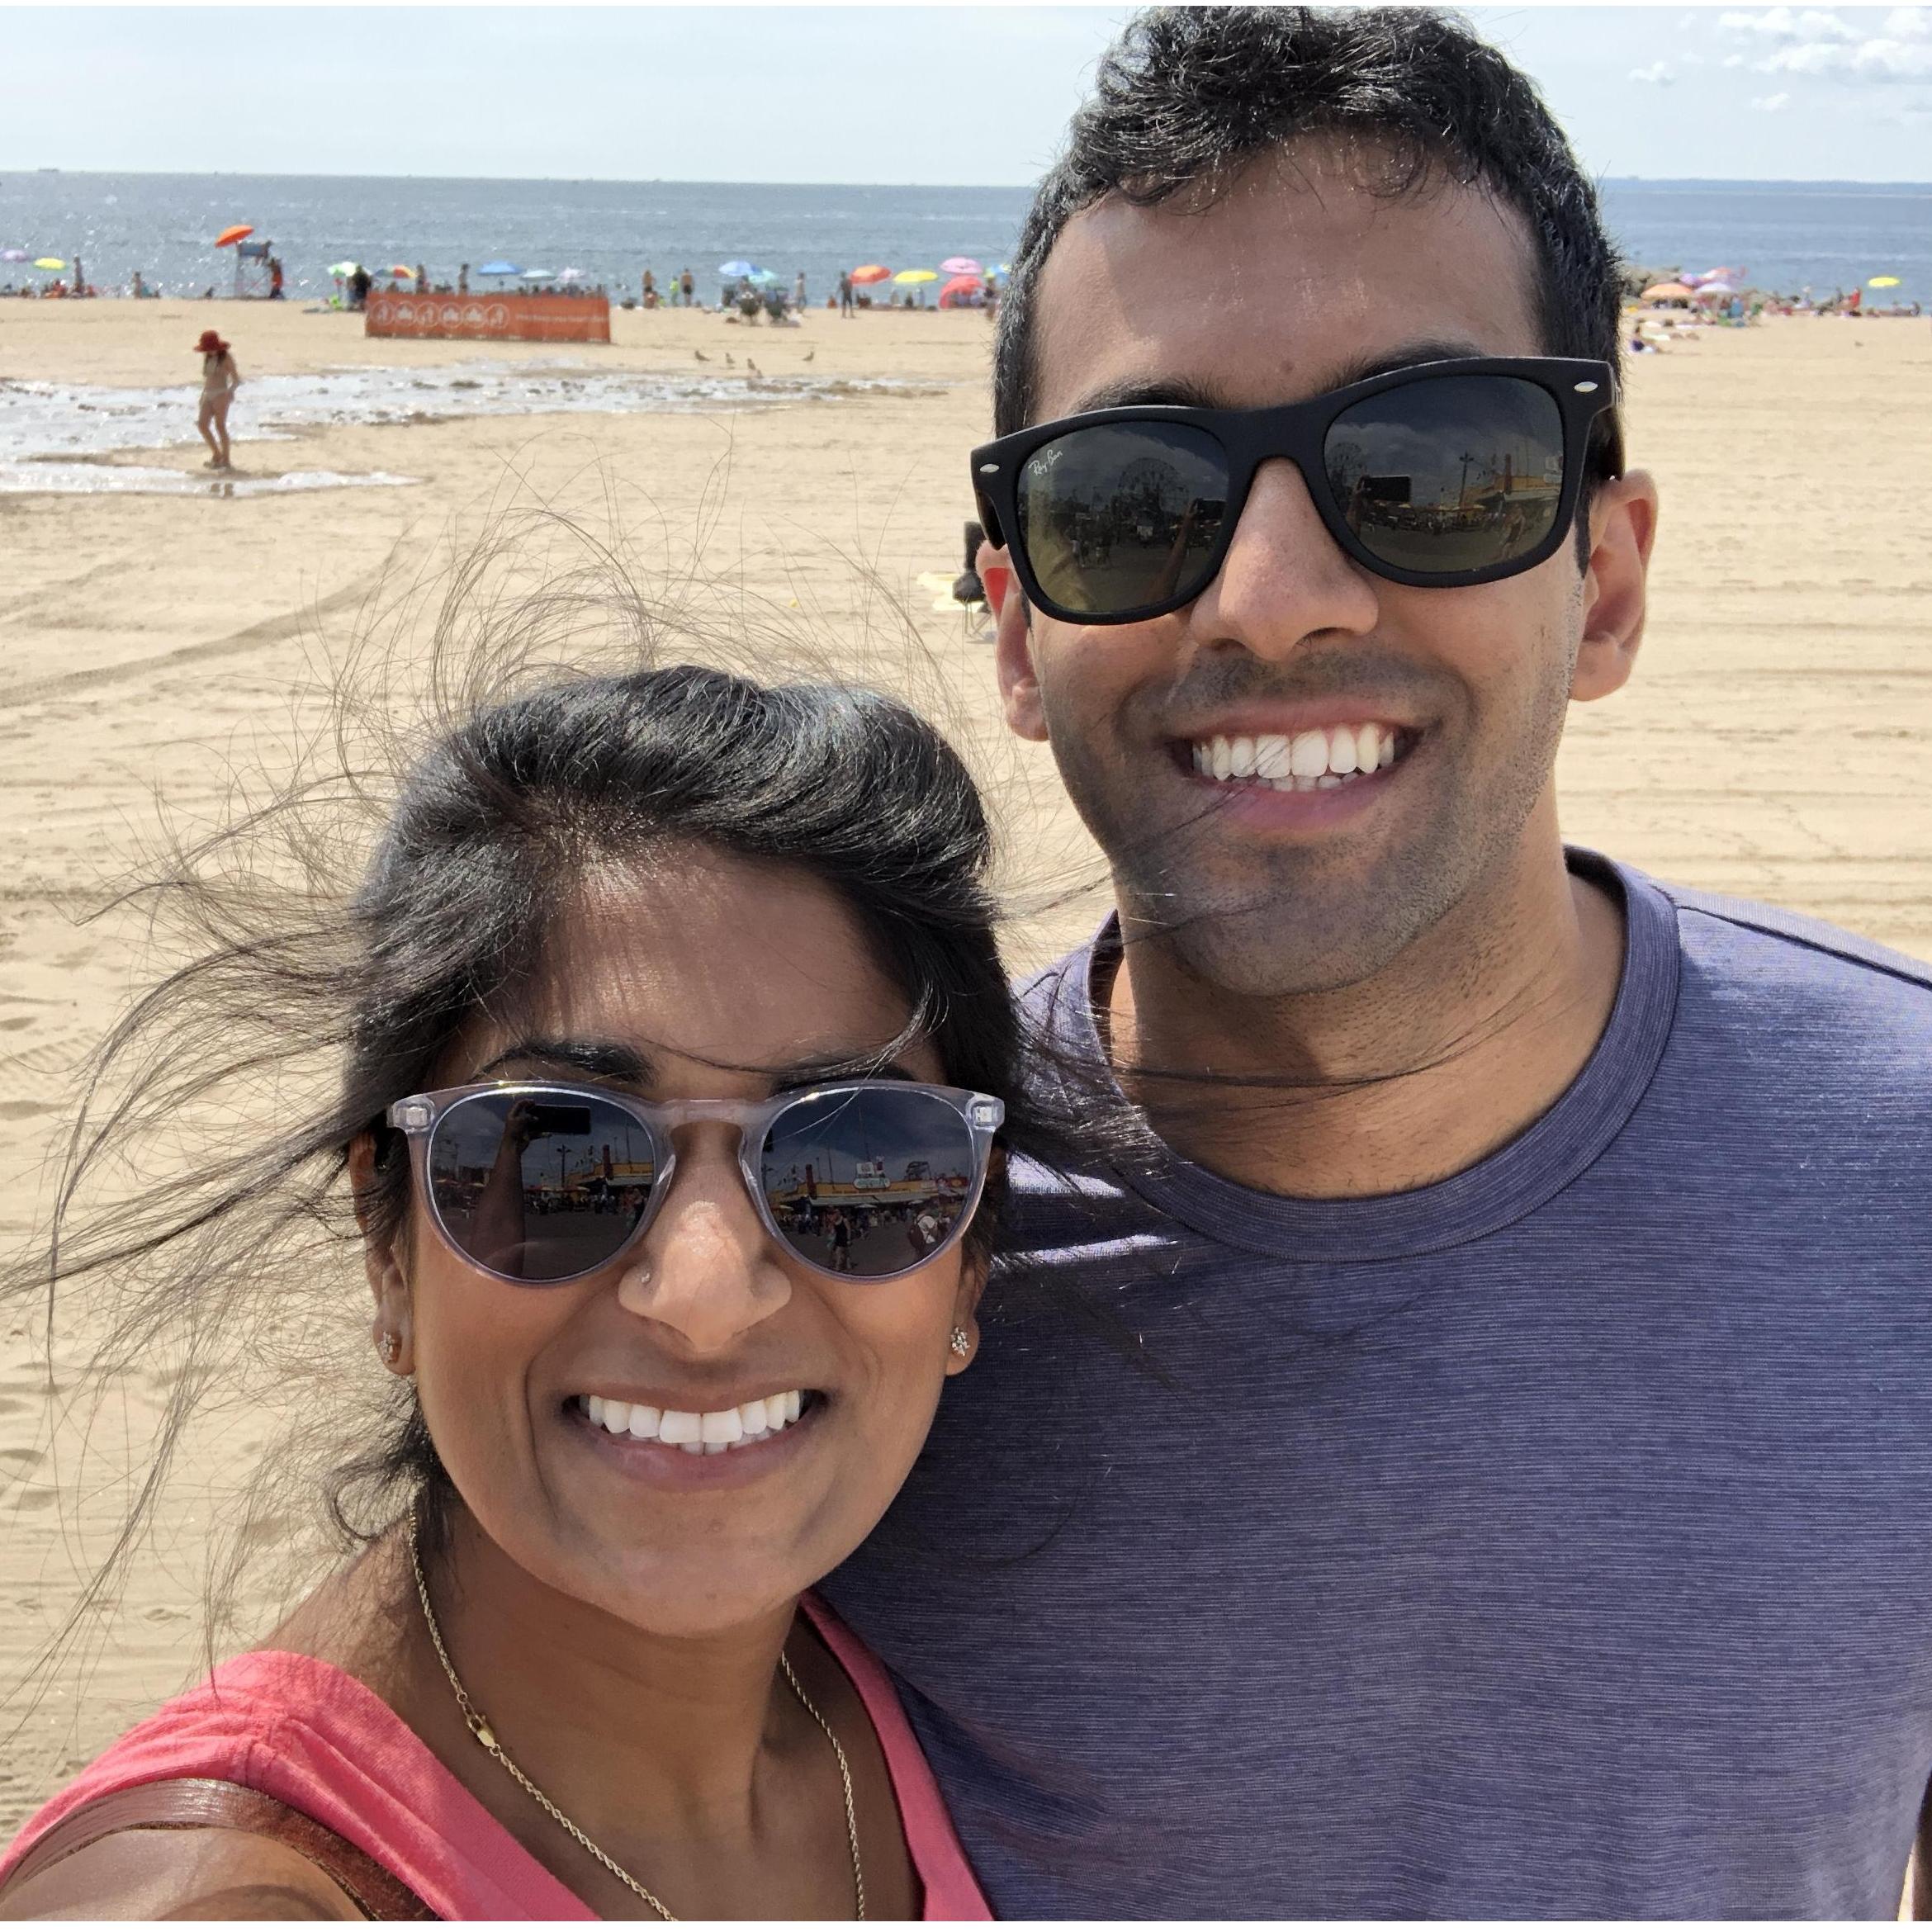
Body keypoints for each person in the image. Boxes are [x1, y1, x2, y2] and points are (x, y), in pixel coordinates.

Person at [823, 5, 1932, 1917]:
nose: (1270, 599)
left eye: (1427, 469)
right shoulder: (846, 1250)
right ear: (1013, 629)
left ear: (1608, 577)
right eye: (1132, 501)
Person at [0, 656, 1065, 1917]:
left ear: (972, 1258)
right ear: (387, 1245)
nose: (708, 1293)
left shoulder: (913, 1696)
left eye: (858, 1162)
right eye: (559, 1157)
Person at [193, 327, 239, 471]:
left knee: (220, 426)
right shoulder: (207, 358)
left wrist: (230, 392)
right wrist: (202, 396)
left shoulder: (226, 358)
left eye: (211, 348)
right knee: (202, 425)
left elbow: (236, 379)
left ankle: (226, 459)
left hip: (221, 393)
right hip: (208, 392)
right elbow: (207, 379)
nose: (209, 351)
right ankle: (216, 453)